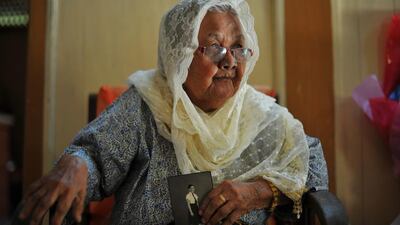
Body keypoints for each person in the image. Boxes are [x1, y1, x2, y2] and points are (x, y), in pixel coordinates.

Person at [18, 0, 328, 225]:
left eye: (238, 46)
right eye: (214, 46)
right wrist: (76, 163)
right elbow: (95, 155)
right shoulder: (146, 103)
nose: (230, 61)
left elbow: (310, 163)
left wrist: (259, 192)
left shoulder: (260, 114)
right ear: (178, 55)